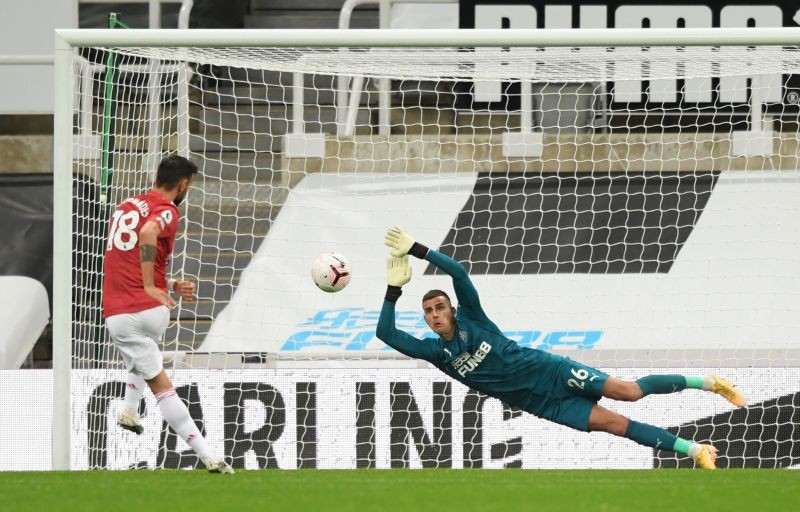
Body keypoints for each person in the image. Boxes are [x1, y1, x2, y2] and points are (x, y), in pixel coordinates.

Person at [377, 226, 747, 470]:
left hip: (550, 370)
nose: (435, 314)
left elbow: (458, 273)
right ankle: (696, 451)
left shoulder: (473, 319)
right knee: (616, 425)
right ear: (426, 320)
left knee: (629, 392)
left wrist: (418, 250)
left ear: (452, 310)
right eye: (428, 312)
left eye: (440, 307)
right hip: (542, 403)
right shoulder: (435, 353)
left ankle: (709, 382)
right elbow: (386, 334)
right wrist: (393, 291)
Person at [102, 154, 233, 474]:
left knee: (144, 359)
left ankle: (132, 410)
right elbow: (148, 234)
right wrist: (151, 285)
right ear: (183, 184)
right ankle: (207, 455)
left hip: (121, 311)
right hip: (145, 308)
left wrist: (169, 283)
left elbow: (129, 255)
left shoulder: (126, 206)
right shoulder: (168, 210)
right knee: (157, 378)